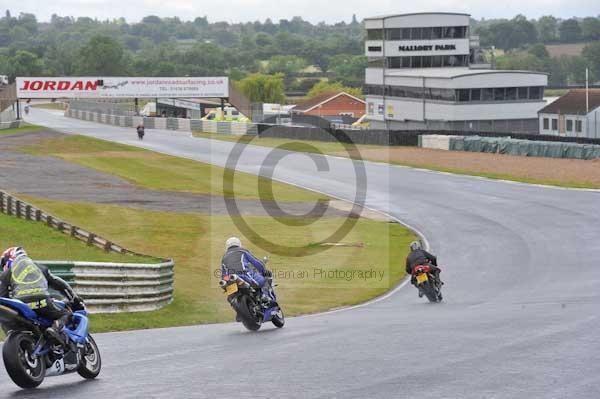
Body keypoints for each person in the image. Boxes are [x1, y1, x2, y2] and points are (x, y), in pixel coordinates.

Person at [0, 247, 82, 345]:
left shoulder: (7, 273)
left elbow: (2, 296)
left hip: (22, 304)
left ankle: (13, 334)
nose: (4, 266)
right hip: (42, 302)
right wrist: (73, 298)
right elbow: (59, 284)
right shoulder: (39, 267)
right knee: (66, 314)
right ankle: (54, 329)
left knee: (6, 315)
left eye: (4, 263)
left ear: (11, 258)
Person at [221, 237, 273, 303]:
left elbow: (223, 275)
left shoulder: (224, 257)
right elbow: (257, 263)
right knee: (263, 280)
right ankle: (266, 297)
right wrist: (263, 270)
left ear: (227, 246)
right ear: (239, 244)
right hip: (244, 277)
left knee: (230, 294)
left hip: (230, 282)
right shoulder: (243, 251)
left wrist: (226, 282)